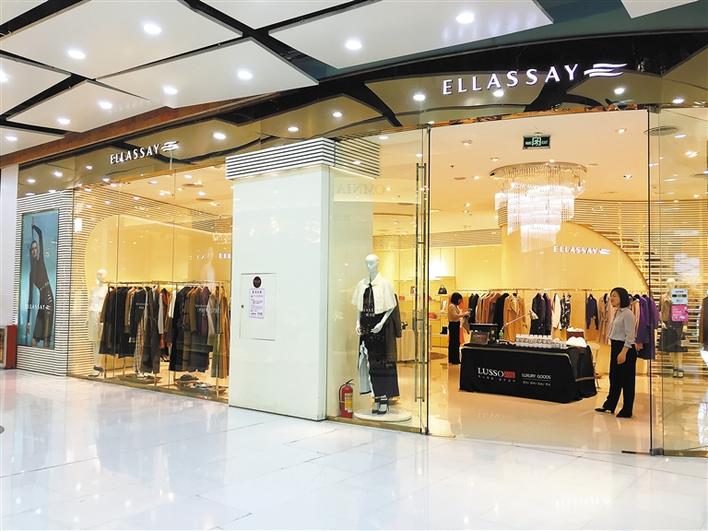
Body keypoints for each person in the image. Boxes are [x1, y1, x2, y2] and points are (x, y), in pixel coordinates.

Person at [595, 287, 637, 418]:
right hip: (616, 347)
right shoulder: (618, 312)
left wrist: (623, 352)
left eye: (615, 296)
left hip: (625, 349)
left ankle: (627, 409)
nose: (611, 298)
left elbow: (630, 336)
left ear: (622, 298)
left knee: (627, 381)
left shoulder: (628, 314)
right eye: (611, 296)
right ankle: (610, 404)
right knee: (614, 378)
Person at [26, 223, 54, 347]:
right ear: (30, 252)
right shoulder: (31, 273)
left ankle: (47, 357)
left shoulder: (41, 261)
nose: (34, 250)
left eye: (36, 248)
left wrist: (34, 227)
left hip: (48, 299)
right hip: (42, 301)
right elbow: (30, 298)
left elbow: (41, 235)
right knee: (34, 339)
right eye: (32, 249)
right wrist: (28, 321)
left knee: (46, 339)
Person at [447, 292, 464, 365]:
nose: (460, 301)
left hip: (455, 325)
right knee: (454, 342)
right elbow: (454, 316)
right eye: (459, 299)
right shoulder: (452, 306)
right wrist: (463, 314)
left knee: (455, 342)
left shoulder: (455, 306)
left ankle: (454, 359)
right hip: (453, 325)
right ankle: (454, 359)